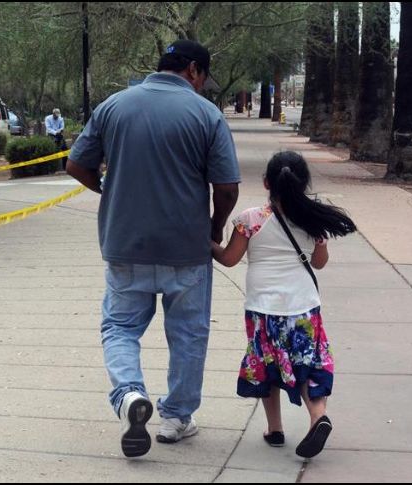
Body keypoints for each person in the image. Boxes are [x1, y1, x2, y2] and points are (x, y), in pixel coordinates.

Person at [66, 40, 240, 458]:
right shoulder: (206, 114)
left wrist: (108, 189)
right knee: (188, 335)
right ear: (194, 71)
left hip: (126, 244)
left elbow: (75, 164)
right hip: (187, 249)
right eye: (203, 78)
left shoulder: (114, 106)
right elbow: (227, 188)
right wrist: (212, 230)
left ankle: (128, 396)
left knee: (120, 328)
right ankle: (177, 417)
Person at [211, 151, 357, 459]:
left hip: (263, 309)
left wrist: (205, 241)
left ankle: (275, 429)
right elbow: (319, 263)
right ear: (304, 183)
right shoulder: (311, 220)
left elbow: (228, 258)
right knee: (308, 363)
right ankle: (318, 416)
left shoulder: (250, 220)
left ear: (266, 182)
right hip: (304, 307)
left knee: (268, 363)